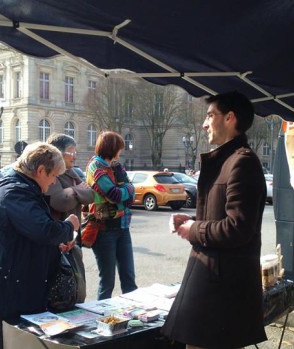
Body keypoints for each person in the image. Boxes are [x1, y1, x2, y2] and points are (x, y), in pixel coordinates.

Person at [162, 91, 268, 349]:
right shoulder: (226, 160)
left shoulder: (242, 162)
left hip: (223, 292)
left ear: (230, 118)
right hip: (212, 283)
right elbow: (217, 217)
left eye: (210, 115)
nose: (204, 123)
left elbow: (238, 228)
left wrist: (193, 229)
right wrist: (188, 220)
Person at [0, 142, 80, 349]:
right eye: (52, 176)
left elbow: (26, 234)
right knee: (14, 342)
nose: (52, 183)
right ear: (40, 170)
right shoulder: (15, 193)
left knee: (17, 341)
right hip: (10, 290)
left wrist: (53, 248)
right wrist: (69, 227)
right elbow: (44, 230)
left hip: (15, 284)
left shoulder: (20, 188)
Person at [85, 131, 137, 300]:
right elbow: (114, 194)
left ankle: (132, 318)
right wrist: (128, 191)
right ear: (112, 148)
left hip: (123, 226)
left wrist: (127, 191)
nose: (120, 152)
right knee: (107, 282)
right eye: (119, 148)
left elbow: (129, 193)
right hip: (104, 230)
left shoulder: (116, 165)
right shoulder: (96, 167)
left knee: (129, 280)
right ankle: (101, 321)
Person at [45, 133, 95, 303]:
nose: (74, 155)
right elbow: (60, 201)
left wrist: (72, 192)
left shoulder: (72, 173)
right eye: (70, 151)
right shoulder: (53, 174)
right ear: (58, 152)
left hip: (74, 239)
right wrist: (77, 190)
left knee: (79, 286)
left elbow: (90, 195)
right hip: (59, 241)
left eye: (75, 151)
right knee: (62, 290)